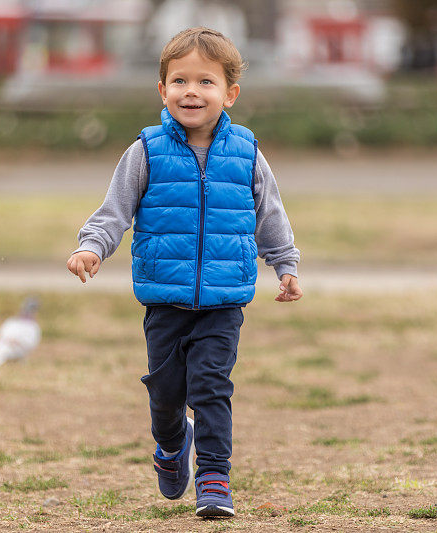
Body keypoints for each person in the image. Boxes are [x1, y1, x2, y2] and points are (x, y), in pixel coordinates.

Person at [67, 27, 302, 518]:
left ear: (230, 93)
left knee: (212, 386)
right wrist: (92, 248)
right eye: (179, 80)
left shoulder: (246, 152)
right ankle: (173, 446)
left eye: (205, 82)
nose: (191, 91)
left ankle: (214, 478)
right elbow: (115, 211)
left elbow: (269, 214)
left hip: (223, 301)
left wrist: (285, 264)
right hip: (164, 301)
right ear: (162, 90)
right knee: (168, 394)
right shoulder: (146, 151)